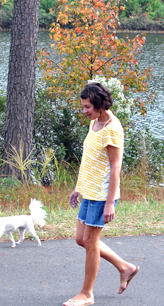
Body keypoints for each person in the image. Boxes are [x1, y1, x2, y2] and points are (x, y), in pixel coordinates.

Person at [63, 82, 139, 306]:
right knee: (81, 240)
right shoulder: (95, 122)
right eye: (83, 106)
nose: (84, 111)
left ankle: (87, 294)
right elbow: (89, 160)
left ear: (100, 104)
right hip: (89, 190)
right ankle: (126, 267)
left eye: (87, 107)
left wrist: (110, 203)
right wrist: (78, 186)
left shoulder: (113, 129)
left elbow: (115, 168)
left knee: (91, 242)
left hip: (102, 195)